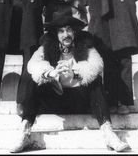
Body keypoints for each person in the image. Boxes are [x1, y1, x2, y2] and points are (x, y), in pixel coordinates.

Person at [10, 15, 129, 153]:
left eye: (69, 30)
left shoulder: (86, 46)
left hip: (80, 101)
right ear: (56, 34)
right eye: (61, 31)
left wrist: (76, 74)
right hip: (55, 100)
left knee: (95, 81)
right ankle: (24, 132)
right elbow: (33, 64)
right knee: (31, 77)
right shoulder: (46, 48)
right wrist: (51, 73)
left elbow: (97, 64)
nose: (65, 34)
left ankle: (108, 133)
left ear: (75, 32)